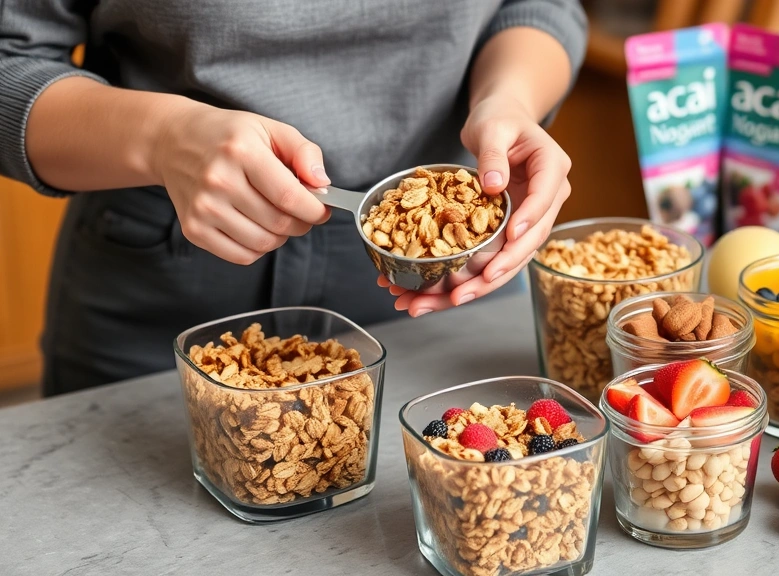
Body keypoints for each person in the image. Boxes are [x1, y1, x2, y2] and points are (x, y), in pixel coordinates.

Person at [0, 1, 586, 396]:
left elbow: (538, 7)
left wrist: (508, 100)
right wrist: (161, 137)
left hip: (452, 276)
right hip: (163, 269)